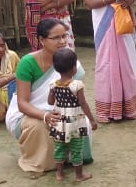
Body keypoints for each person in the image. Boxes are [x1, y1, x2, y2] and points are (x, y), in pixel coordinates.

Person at [5, 18, 93, 176]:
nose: (62, 41)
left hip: (60, 111)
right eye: (56, 38)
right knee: (39, 127)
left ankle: (73, 157)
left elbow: (73, 98)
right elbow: (22, 104)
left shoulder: (71, 60)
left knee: (80, 121)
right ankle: (45, 161)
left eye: (64, 36)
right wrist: (45, 115)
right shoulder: (27, 63)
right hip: (27, 114)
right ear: (41, 40)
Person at [76, 0, 136, 123]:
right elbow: (91, 3)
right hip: (103, 23)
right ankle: (108, 110)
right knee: (106, 65)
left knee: (126, 64)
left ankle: (126, 109)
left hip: (122, 20)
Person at [48, 48, 97, 183]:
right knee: (76, 148)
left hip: (59, 121)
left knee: (59, 148)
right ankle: (79, 175)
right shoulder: (77, 85)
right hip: (74, 121)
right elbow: (83, 103)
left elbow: (50, 102)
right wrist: (92, 120)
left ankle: (59, 174)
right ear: (74, 67)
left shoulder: (53, 85)